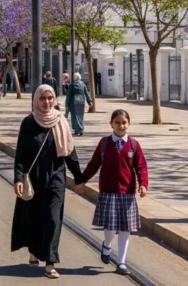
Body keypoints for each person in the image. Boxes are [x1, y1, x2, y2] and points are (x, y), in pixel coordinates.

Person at [12, 84, 83, 279]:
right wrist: (19, 178)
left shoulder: (61, 122)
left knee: (53, 219)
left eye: (50, 98)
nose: (47, 102)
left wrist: (79, 177)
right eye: (43, 98)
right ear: (36, 100)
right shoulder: (28, 123)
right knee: (35, 217)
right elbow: (21, 155)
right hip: (34, 178)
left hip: (56, 178)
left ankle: (50, 262)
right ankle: (35, 251)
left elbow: (70, 152)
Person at [75, 109, 148, 276]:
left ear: (128, 124)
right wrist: (82, 180)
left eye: (124, 123)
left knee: (125, 228)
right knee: (110, 227)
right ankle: (107, 244)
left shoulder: (134, 145)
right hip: (108, 192)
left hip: (127, 193)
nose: (121, 126)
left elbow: (141, 167)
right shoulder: (104, 144)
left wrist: (143, 184)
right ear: (111, 124)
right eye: (117, 122)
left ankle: (121, 262)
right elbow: (94, 164)